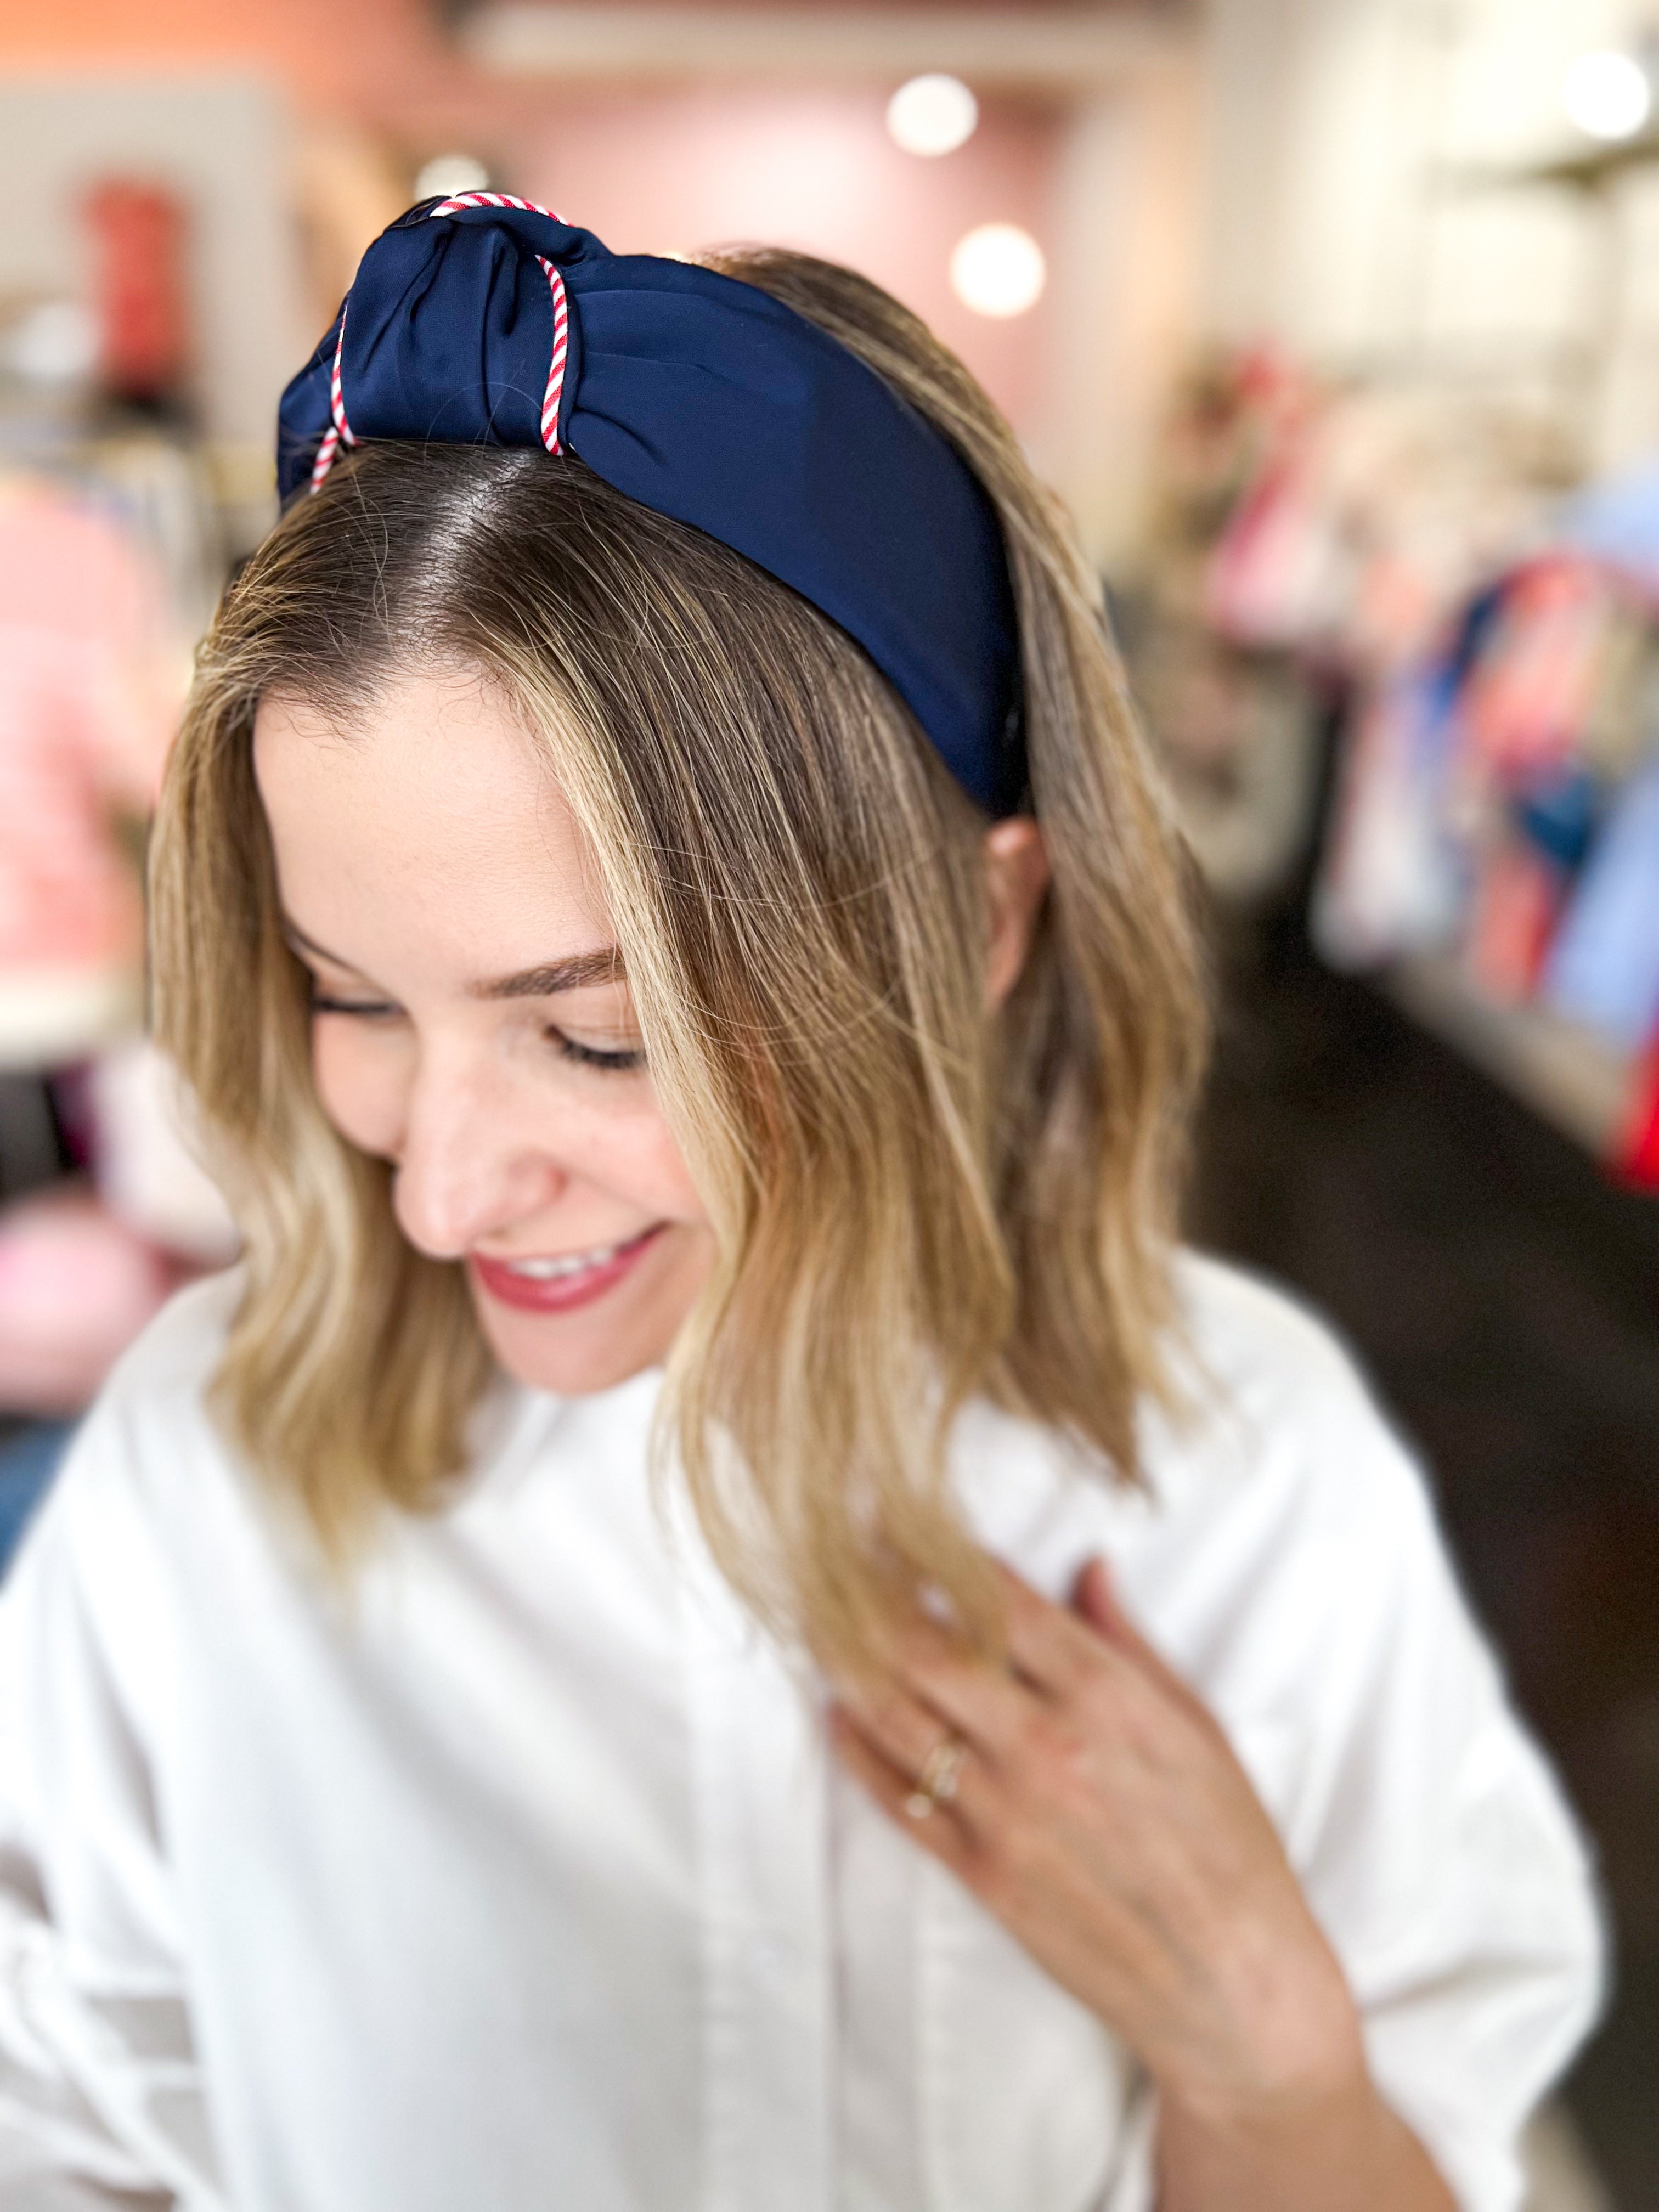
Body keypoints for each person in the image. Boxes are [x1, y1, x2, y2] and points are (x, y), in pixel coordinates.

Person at [0, 198, 1599, 2212]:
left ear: (984, 924)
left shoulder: (1246, 1485)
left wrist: (1269, 2066)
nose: (440, 1195)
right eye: (352, 999)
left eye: (596, 1035)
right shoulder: (200, 1480)